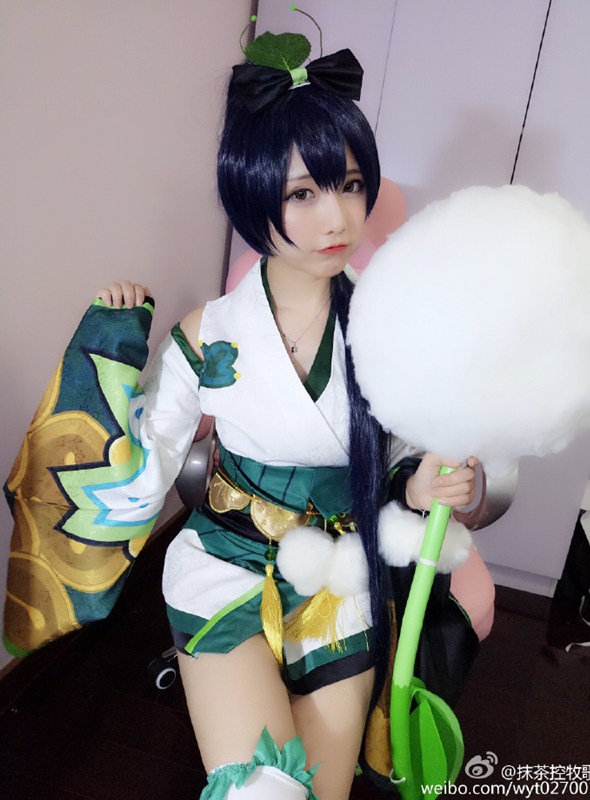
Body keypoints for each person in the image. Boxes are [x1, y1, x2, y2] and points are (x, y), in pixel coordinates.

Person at [96, 41, 478, 800]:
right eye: (303, 193)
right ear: (252, 192)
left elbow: (404, 454)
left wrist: (425, 484)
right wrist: (108, 354)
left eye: (352, 185)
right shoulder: (209, 333)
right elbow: (140, 463)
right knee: (262, 787)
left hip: (342, 581)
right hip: (224, 567)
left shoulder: (390, 328)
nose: (338, 217)